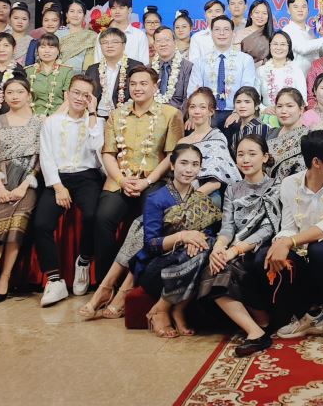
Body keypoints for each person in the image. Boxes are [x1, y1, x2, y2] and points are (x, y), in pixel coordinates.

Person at [263, 130, 323, 349]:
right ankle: (309, 316)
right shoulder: (290, 184)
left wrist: (289, 242)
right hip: (303, 254)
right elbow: (288, 227)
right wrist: (280, 243)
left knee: (319, 250)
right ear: (316, 162)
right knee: (266, 255)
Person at [95, 66, 184, 285]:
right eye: (133, 84)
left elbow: (172, 155)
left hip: (154, 180)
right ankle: (107, 282)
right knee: (103, 218)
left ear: (155, 87)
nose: (137, 88)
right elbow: (108, 154)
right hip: (120, 179)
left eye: (143, 84)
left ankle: (140, 282)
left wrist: (147, 181)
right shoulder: (117, 115)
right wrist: (121, 180)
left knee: (150, 220)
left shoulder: (170, 114)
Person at [198, 135, 280, 356]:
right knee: (213, 267)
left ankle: (261, 322)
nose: (245, 159)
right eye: (241, 154)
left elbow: (268, 228)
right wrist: (219, 247)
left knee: (231, 267)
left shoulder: (276, 186)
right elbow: (227, 226)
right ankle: (257, 330)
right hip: (234, 246)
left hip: (260, 247)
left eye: (252, 154)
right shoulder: (233, 189)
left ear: (265, 157)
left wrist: (234, 250)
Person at [137, 144, 222, 338]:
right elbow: (151, 245)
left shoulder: (200, 198)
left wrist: (196, 239)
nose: (189, 169)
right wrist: (183, 237)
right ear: (172, 165)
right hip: (159, 270)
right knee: (198, 251)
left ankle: (176, 308)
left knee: (206, 246)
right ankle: (162, 310)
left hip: (192, 263)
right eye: (184, 163)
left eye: (195, 164)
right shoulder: (155, 198)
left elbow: (208, 233)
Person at [34, 75, 104, 307]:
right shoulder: (51, 122)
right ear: (67, 94)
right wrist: (58, 187)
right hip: (58, 177)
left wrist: (92, 114)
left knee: (93, 215)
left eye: (86, 95)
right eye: (76, 92)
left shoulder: (97, 121)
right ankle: (55, 281)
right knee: (41, 224)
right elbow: (46, 157)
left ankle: (83, 260)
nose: (80, 98)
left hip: (87, 176)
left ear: (91, 99)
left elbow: (97, 148)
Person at [0, 78, 42, 308]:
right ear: (3, 96)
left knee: (15, 232)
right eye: (9, 92)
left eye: (20, 92)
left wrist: (24, 186)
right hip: (1, 178)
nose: (14, 96)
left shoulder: (40, 121)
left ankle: (4, 278)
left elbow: (40, 158)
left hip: (27, 180)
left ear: (29, 95)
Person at [187, 16, 257, 127]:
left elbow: (248, 89)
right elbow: (193, 90)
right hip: (207, 113)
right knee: (192, 126)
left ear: (233, 33)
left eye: (226, 29)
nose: (222, 33)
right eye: (217, 29)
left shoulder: (245, 60)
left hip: (235, 111)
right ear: (211, 33)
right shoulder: (201, 62)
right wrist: (194, 114)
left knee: (237, 125)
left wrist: (237, 112)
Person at [182, 88, 242, 196]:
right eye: (192, 107)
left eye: (202, 107)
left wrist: (190, 199)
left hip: (206, 195)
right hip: (181, 190)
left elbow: (215, 182)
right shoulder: (182, 142)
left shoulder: (217, 138)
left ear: (211, 111)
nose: (196, 111)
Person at [85, 28, 143, 119]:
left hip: (126, 117)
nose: (109, 46)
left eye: (115, 42)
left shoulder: (136, 67)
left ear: (124, 45)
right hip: (96, 117)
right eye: (105, 42)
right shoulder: (92, 69)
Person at [255, 30, 308, 124]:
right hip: (268, 117)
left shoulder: (296, 70)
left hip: (292, 116)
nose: (278, 47)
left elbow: (303, 98)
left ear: (289, 47)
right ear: (270, 46)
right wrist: (264, 109)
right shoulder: (261, 71)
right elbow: (255, 98)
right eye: (275, 44)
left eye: (283, 44)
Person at [26, 34, 73, 117]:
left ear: (58, 51)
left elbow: (68, 101)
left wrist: (52, 119)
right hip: (34, 116)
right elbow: (25, 100)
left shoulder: (67, 71)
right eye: (42, 47)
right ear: (37, 50)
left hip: (59, 116)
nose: (46, 51)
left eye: (51, 47)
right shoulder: (28, 71)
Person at [94, 0, 150, 64]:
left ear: (129, 10)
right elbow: (97, 61)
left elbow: (144, 63)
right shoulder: (102, 35)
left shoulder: (139, 35)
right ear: (110, 11)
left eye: (121, 8)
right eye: (113, 8)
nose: (117, 11)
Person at [281, 0, 323, 76]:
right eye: (295, 7)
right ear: (288, 10)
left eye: (304, 6)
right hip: (296, 78)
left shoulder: (309, 30)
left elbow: (318, 53)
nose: (300, 10)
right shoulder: (287, 30)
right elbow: (303, 48)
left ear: (308, 10)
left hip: (313, 77)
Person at [150, 27, 192, 110]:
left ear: (175, 42)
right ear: (154, 45)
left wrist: (177, 116)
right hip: (152, 113)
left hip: (178, 114)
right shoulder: (148, 69)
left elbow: (188, 99)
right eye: (158, 41)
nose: (163, 44)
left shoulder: (188, 67)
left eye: (167, 40)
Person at [224, 86, 269, 156]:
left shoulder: (261, 128)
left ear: (256, 106)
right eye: (238, 102)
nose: (242, 105)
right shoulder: (234, 128)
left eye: (247, 102)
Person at [59, 0, 97, 73]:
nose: (75, 15)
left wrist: (84, 76)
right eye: (72, 11)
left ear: (84, 16)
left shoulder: (91, 36)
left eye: (79, 12)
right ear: (66, 14)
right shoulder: (58, 34)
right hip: (59, 74)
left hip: (82, 76)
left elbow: (90, 61)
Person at [233, 0, 273, 65]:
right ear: (251, 15)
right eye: (257, 12)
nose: (260, 16)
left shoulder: (272, 36)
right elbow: (235, 59)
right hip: (245, 69)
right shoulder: (240, 34)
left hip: (267, 70)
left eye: (264, 13)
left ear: (268, 16)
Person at [187, 0, 226, 64]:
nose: (214, 14)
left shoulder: (232, 35)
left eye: (217, 11)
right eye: (210, 11)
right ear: (205, 15)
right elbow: (194, 63)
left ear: (224, 14)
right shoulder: (197, 37)